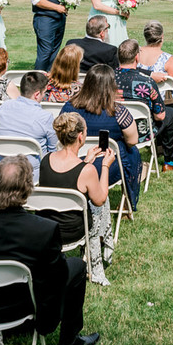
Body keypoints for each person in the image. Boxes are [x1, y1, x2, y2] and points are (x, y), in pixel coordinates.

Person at [0, 156, 99, 345]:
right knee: (77, 266)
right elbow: (58, 276)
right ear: (28, 188)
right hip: (24, 304)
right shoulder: (44, 229)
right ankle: (68, 341)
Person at [36, 113, 112, 285]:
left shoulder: (46, 160)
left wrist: (86, 161)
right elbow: (100, 199)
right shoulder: (86, 171)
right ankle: (100, 254)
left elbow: (65, 180)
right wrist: (105, 165)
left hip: (46, 228)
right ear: (80, 136)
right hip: (71, 231)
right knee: (102, 205)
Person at [61, 65, 143, 211]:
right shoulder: (118, 112)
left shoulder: (68, 107)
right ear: (111, 86)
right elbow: (133, 140)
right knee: (131, 151)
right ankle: (128, 202)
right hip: (101, 167)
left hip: (70, 164)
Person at [115, 40, 173, 170]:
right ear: (137, 57)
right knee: (170, 113)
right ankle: (169, 162)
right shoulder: (146, 82)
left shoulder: (107, 77)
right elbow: (160, 116)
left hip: (113, 128)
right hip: (140, 132)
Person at [0, 71, 62, 159]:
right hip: (33, 171)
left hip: (3, 168)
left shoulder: (3, 107)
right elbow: (54, 151)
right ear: (37, 94)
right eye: (44, 93)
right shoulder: (45, 117)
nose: (44, 96)